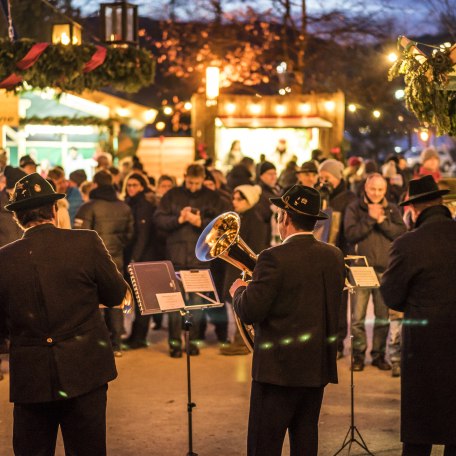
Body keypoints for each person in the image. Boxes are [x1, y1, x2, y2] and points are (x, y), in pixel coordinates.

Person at [0, 173, 128, 455]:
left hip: (30, 377)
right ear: (55, 211)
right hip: (86, 370)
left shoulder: (3, 258)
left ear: (18, 218)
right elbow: (117, 295)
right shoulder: (87, 243)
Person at [229, 184, 345, 456]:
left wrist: (239, 290)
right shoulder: (334, 255)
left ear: (285, 218)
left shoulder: (272, 258)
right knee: (305, 443)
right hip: (316, 368)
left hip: (277, 372)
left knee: (264, 446)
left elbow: (249, 311)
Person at [380, 175, 456, 456]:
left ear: (414, 209)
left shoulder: (408, 244)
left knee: (419, 432)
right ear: (440, 203)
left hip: (424, 349)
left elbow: (391, 296)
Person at [154, 163, 224, 358]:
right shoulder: (172, 195)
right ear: (185, 177)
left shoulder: (212, 198)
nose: (193, 186)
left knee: (196, 304)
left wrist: (199, 222)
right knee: (175, 303)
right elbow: (158, 219)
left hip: (200, 259)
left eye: (197, 183)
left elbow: (221, 225)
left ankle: (192, 341)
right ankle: (175, 344)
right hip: (175, 257)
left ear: (203, 180)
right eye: (190, 182)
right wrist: (179, 220)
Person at [344, 173, 406, 371]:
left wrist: (382, 221)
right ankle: (358, 356)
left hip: (384, 271)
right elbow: (351, 234)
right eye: (373, 189)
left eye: (380, 189)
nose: (377, 193)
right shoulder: (354, 208)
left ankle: (379, 355)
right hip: (361, 270)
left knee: (382, 317)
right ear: (365, 188)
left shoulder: (392, 209)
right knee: (357, 318)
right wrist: (370, 219)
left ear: (385, 190)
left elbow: (401, 233)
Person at [74, 170, 134, 357]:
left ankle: (97, 344)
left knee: (95, 303)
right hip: (116, 260)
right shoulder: (124, 207)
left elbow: (80, 235)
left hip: (92, 262)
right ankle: (117, 343)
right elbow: (129, 235)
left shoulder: (88, 207)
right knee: (116, 300)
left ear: (95, 184)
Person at [220, 184, 268, 356]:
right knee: (233, 300)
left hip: (242, 268)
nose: (235, 201)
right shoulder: (240, 217)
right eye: (234, 198)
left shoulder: (254, 219)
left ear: (249, 200)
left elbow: (255, 247)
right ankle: (239, 338)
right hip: (235, 265)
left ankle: (243, 340)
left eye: (239, 199)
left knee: (240, 301)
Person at [319, 159, 356, 359]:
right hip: (320, 255)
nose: (324, 181)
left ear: (338, 176)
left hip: (340, 254)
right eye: (321, 177)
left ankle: (338, 343)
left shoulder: (348, 198)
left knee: (339, 302)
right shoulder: (320, 195)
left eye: (328, 177)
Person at [122, 172, 158, 350]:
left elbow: (143, 236)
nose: (131, 188)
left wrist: (135, 259)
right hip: (134, 256)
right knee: (138, 300)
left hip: (143, 259)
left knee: (143, 300)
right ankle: (135, 336)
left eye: (135, 185)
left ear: (142, 186)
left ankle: (139, 337)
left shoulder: (144, 205)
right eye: (129, 185)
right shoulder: (129, 203)